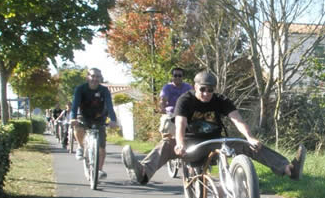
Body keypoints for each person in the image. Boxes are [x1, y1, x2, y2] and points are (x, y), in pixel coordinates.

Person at [122, 71, 306, 185]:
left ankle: (289, 169)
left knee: (250, 145)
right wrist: (179, 143)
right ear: (195, 87)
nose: (206, 93)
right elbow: (181, 123)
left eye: (210, 90)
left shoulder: (221, 100)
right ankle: (143, 172)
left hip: (216, 143)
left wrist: (249, 137)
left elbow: (237, 120)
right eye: (202, 89)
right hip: (190, 145)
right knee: (166, 144)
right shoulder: (185, 99)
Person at [70, 68, 117, 179]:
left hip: (99, 118)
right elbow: (75, 105)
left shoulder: (104, 90)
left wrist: (113, 120)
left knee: (101, 148)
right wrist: (73, 118)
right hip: (84, 117)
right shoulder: (80, 89)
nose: (95, 79)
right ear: (87, 77)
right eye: (92, 76)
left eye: (97, 77)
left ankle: (99, 170)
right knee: (78, 127)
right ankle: (81, 147)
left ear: (100, 78)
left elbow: (110, 106)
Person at [158, 67, 193, 139]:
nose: (177, 77)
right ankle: (167, 141)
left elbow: (193, 99)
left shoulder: (188, 87)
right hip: (171, 113)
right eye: (175, 75)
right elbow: (163, 100)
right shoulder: (167, 87)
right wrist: (162, 108)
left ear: (182, 77)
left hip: (184, 114)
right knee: (166, 122)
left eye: (179, 76)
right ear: (172, 76)